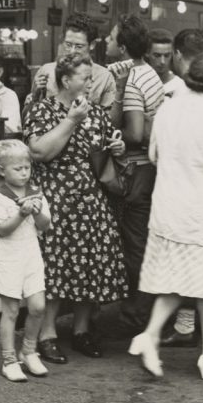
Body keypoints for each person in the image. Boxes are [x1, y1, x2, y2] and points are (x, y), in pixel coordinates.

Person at [129, 52, 203, 381]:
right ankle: (154, 336)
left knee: (191, 282)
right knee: (201, 283)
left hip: (168, 209)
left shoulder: (168, 109)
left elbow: (153, 154)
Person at [24, 53, 128, 363]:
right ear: (66, 80)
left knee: (88, 265)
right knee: (54, 267)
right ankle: (47, 333)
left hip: (89, 198)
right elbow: (40, 151)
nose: (90, 81)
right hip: (55, 196)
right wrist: (71, 120)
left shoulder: (96, 112)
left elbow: (107, 143)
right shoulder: (41, 109)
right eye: (85, 76)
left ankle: (82, 330)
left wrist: (117, 147)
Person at [161, 28, 203, 345]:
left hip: (182, 196)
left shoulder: (175, 95)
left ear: (178, 55)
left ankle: (183, 330)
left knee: (186, 267)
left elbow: (155, 152)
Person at [109, 15, 167, 333]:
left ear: (121, 48)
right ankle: (141, 310)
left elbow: (132, 133)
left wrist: (111, 134)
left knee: (135, 245)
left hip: (137, 170)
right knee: (139, 242)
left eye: (110, 37)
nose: (106, 42)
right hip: (149, 169)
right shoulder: (147, 74)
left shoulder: (133, 79)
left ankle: (136, 313)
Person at [0, 139, 52, 383]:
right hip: (9, 257)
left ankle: (28, 350)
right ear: (2, 170)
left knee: (38, 307)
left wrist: (36, 211)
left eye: (26, 167)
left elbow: (45, 226)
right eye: (18, 169)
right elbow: (2, 230)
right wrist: (20, 214)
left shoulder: (36, 192)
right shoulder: (0, 197)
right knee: (11, 310)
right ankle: (8, 360)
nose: (24, 173)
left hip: (31, 255)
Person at [27, 14, 119, 114]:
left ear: (92, 45)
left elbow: (109, 121)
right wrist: (34, 96)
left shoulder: (104, 77)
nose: (72, 51)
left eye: (79, 46)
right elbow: (27, 118)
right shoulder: (46, 71)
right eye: (68, 44)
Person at [147, 28, 184, 97]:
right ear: (147, 53)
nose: (162, 61)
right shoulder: (141, 84)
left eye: (167, 55)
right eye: (157, 55)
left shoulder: (180, 86)